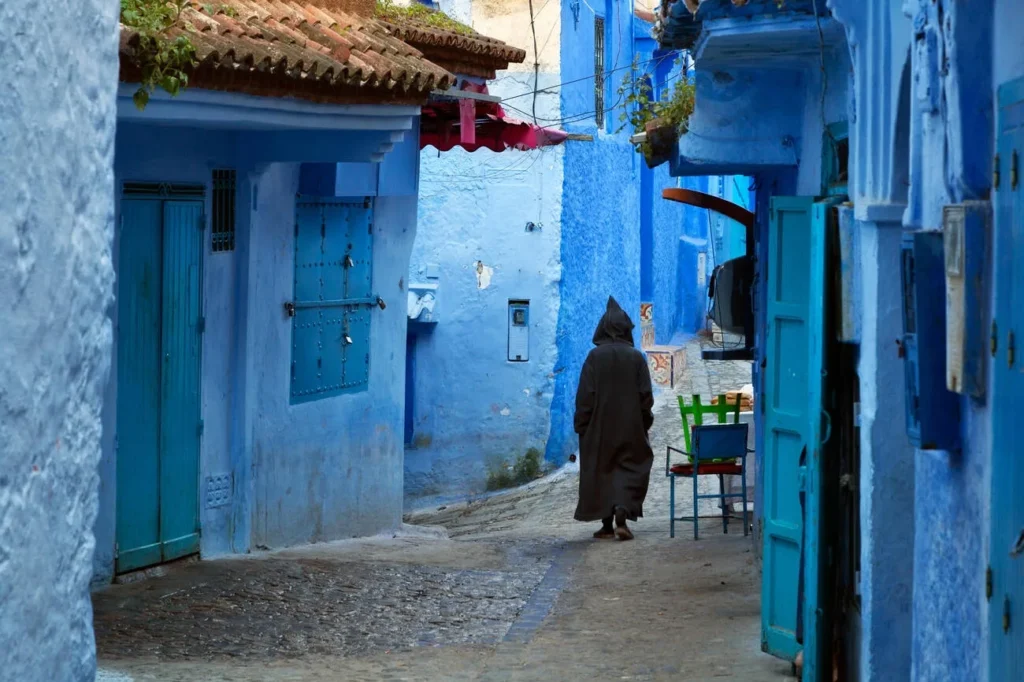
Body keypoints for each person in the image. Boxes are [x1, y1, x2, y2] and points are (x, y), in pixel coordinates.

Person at [573, 297, 655, 541]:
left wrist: (582, 424)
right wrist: (644, 422)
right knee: (628, 469)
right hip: (631, 427)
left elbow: (586, 394)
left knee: (602, 471)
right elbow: (646, 397)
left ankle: (606, 525)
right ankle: (622, 514)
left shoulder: (594, 358)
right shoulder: (637, 358)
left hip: (599, 429)